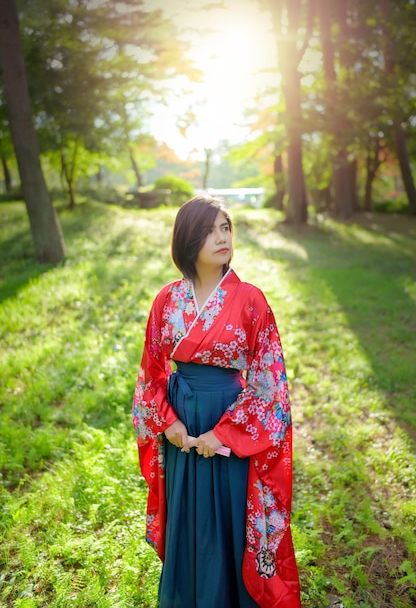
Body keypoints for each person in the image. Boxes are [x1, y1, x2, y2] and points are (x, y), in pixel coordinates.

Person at [132, 195, 301, 608]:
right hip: (181, 421)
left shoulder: (251, 300)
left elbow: (269, 384)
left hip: (229, 421)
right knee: (189, 518)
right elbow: (151, 369)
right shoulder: (167, 300)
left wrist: (224, 433)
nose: (222, 237)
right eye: (210, 229)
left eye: (226, 227)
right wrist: (166, 421)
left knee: (229, 519)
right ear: (188, 238)